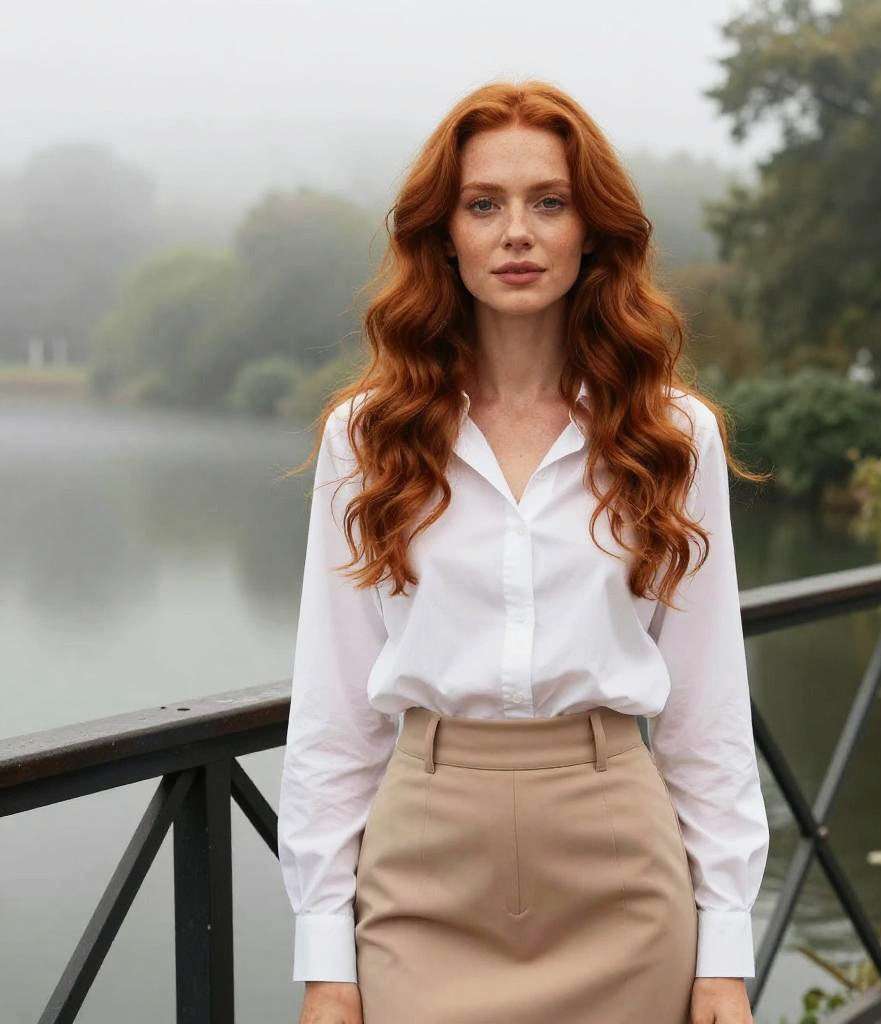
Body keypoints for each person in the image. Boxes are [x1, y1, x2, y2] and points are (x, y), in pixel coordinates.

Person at [277, 78, 771, 1024]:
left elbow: (707, 711)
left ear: (592, 231)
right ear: (443, 235)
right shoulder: (368, 436)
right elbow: (334, 710)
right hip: (424, 866)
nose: (516, 233)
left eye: (549, 202)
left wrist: (725, 953)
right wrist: (325, 959)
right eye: (483, 205)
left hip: (618, 867)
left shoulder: (672, 435)